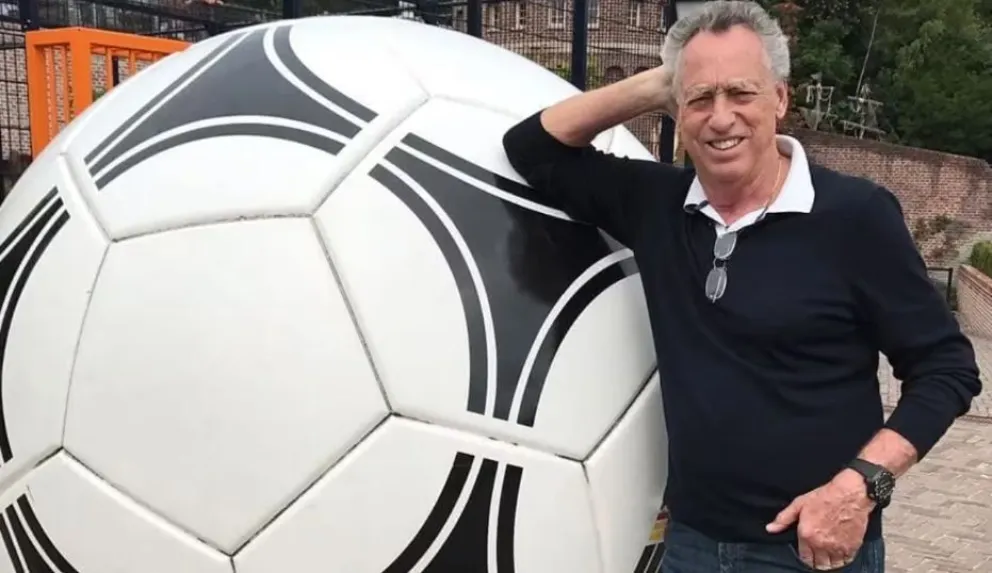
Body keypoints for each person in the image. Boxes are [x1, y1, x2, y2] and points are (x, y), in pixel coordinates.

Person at [501, 1, 983, 572]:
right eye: (700, 99)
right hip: (691, 546)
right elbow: (531, 147)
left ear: (780, 98)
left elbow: (947, 369)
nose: (721, 118)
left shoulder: (855, 217)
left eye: (740, 93)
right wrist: (657, 83)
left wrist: (861, 485)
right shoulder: (655, 204)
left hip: (813, 551)